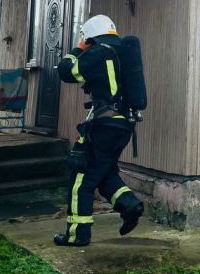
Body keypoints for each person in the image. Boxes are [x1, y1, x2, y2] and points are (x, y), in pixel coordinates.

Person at [53, 14, 144, 246]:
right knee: (102, 172)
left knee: (80, 178)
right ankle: (130, 205)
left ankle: (77, 235)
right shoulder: (121, 52)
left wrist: (77, 48)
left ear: (90, 36)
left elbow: (66, 71)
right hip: (123, 125)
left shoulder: (97, 53)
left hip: (104, 126)